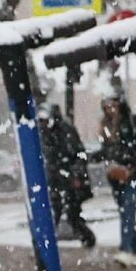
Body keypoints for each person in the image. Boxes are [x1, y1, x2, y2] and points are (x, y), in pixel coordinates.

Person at [89, 94, 136, 266]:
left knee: (128, 207)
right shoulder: (106, 127)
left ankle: (126, 249)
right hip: (116, 175)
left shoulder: (134, 124)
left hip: (135, 172)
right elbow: (108, 150)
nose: (109, 110)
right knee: (126, 211)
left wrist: (135, 158)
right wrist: (94, 157)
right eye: (106, 107)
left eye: (112, 106)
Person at [38, 103, 95, 248]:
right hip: (58, 177)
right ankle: (45, 244)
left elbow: (77, 154)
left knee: (70, 213)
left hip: (69, 178)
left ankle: (86, 238)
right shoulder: (46, 133)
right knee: (56, 210)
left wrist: (74, 175)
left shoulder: (64, 130)